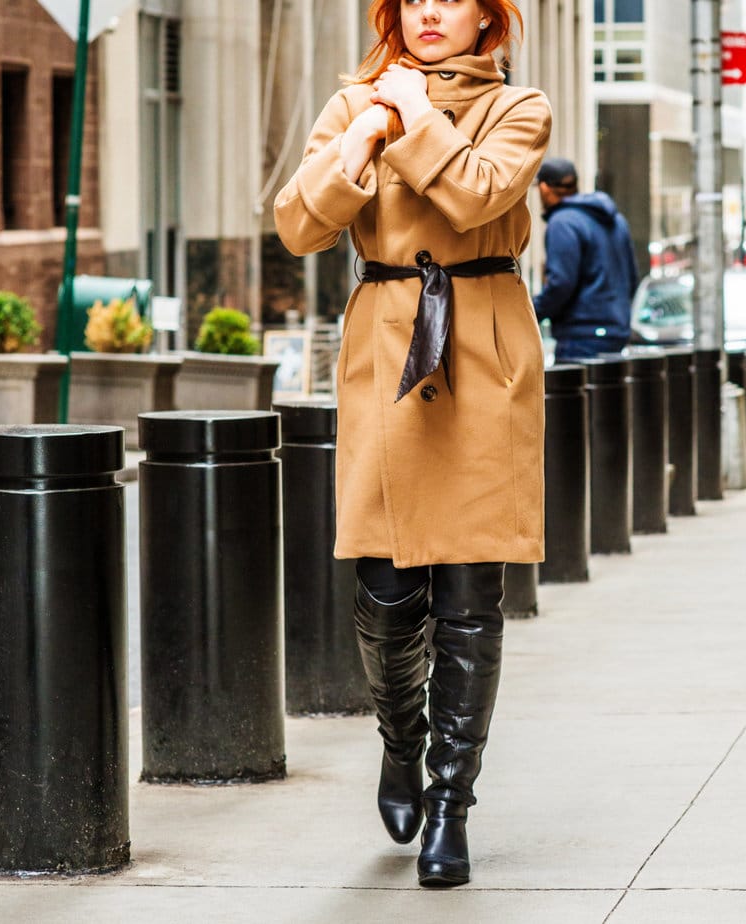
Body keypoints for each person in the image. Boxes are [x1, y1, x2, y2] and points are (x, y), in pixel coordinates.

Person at [274, 0, 551, 887]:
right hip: (390, 344)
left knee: (472, 593)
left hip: (483, 350)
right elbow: (296, 226)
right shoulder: (353, 102)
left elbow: (474, 194)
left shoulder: (520, 108)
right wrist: (358, 146)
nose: (430, 11)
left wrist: (419, 117)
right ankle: (402, 739)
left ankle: (449, 805)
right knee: (387, 588)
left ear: (486, 19)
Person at [533, 157, 639, 361]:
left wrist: (531, 313)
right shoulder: (617, 220)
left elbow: (561, 284)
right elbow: (631, 277)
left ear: (545, 188)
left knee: (574, 392)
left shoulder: (562, 223)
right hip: (617, 333)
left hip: (580, 337)